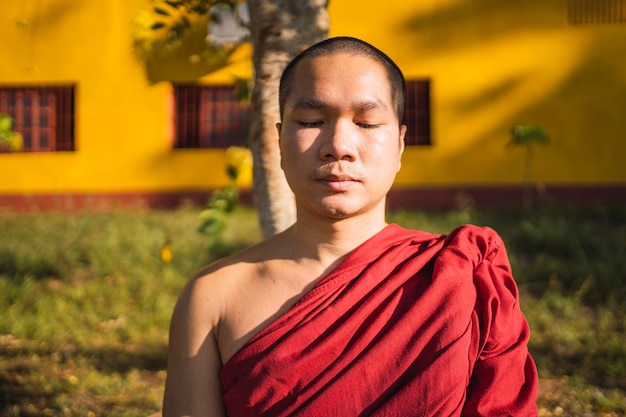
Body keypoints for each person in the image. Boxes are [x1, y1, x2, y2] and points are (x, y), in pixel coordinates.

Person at [162, 36, 538, 416]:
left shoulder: (462, 275)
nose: (338, 145)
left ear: (401, 145)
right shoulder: (214, 297)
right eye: (311, 121)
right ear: (279, 140)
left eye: (367, 122)